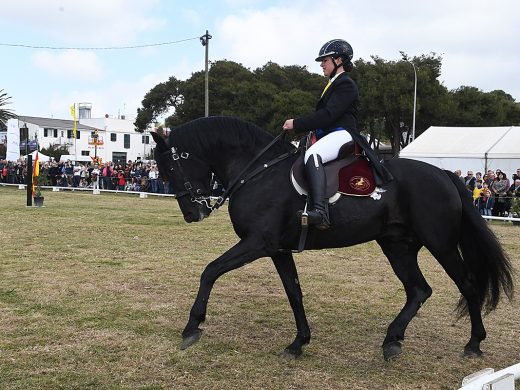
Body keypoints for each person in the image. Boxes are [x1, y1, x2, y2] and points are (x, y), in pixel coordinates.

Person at [282, 39, 391, 229]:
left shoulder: (346, 84)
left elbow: (328, 115)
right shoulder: (333, 84)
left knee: (312, 155)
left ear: (338, 60)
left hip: (343, 133)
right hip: (331, 133)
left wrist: (297, 123)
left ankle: (320, 212)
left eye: (325, 60)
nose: (321, 64)